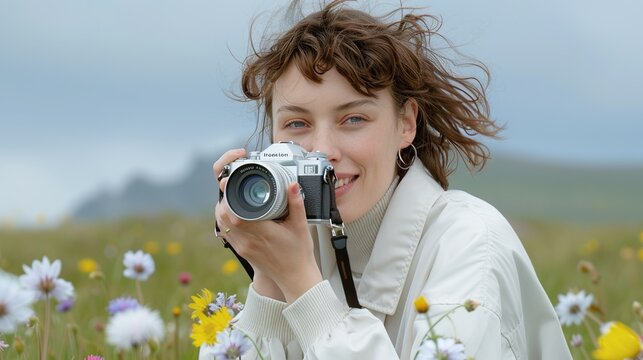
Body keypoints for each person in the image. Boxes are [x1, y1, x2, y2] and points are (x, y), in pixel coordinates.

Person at [206, 1, 571, 358]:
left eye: (353, 119)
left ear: (406, 124)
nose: (322, 149)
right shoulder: (301, 243)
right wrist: (269, 277)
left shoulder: (469, 245)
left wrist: (303, 287)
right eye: (297, 124)